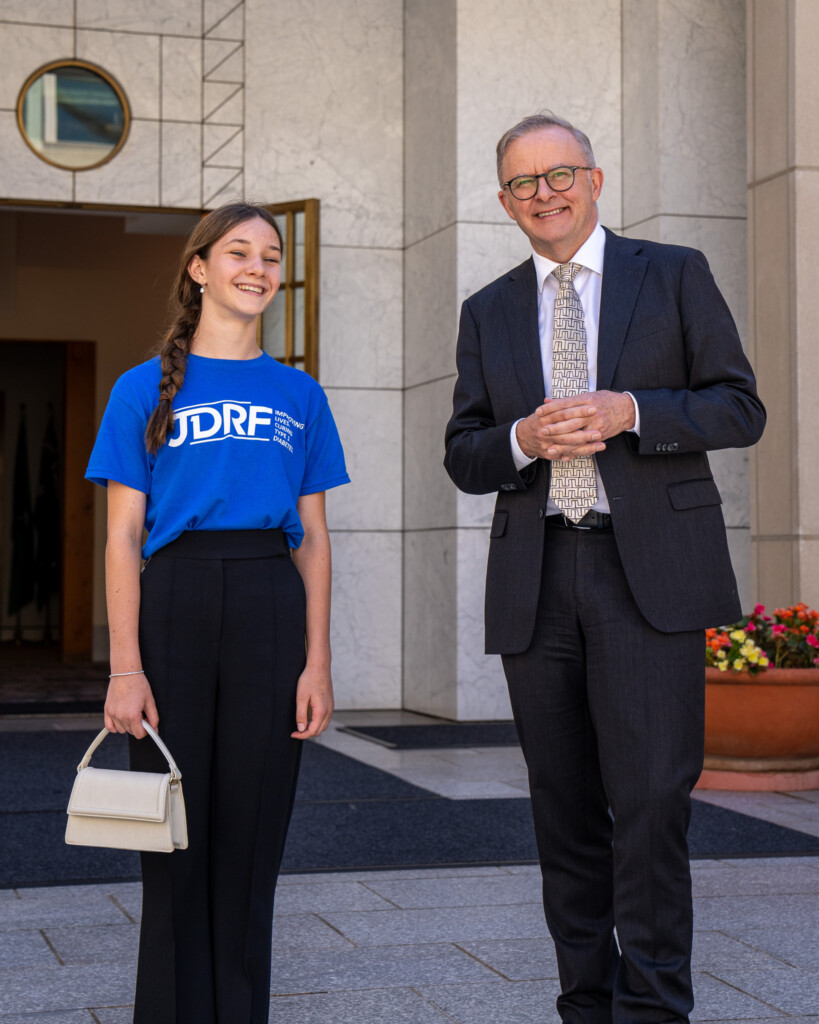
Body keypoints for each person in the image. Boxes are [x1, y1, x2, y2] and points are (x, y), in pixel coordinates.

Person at [444, 113, 766, 1023]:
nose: (541, 194)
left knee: (653, 804)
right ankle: (585, 1004)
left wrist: (633, 410)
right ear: (503, 202)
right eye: (521, 184)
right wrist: (517, 437)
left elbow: (740, 408)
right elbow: (463, 454)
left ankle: (654, 1009)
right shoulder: (487, 310)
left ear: (592, 178)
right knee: (565, 812)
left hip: (648, 578)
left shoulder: (672, 276)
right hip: (537, 579)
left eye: (558, 175)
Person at [85, 202, 349, 1024]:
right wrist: (125, 668)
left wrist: (317, 662)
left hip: (270, 602)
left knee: (251, 838)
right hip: (176, 605)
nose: (259, 268)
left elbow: (312, 539)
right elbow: (123, 537)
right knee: (170, 837)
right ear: (199, 268)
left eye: (272, 256)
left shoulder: (298, 394)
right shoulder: (139, 390)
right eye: (239, 252)